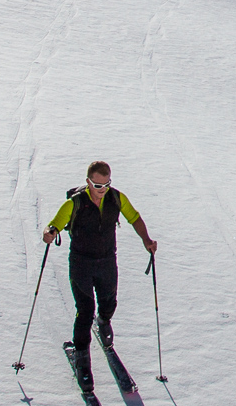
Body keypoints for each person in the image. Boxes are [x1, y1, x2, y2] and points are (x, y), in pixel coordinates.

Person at [42, 161, 157, 392]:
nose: (102, 188)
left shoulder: (116, 198)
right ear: (88, 182)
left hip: (106, 261)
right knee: (85, 311)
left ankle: (103, 322)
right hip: (81, 264)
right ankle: (82, 359)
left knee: (109, 302)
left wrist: (146, 239)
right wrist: (49, 233)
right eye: (97, 184)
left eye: (106, 184)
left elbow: (134, 217)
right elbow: (54, 224)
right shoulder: (74, 203)